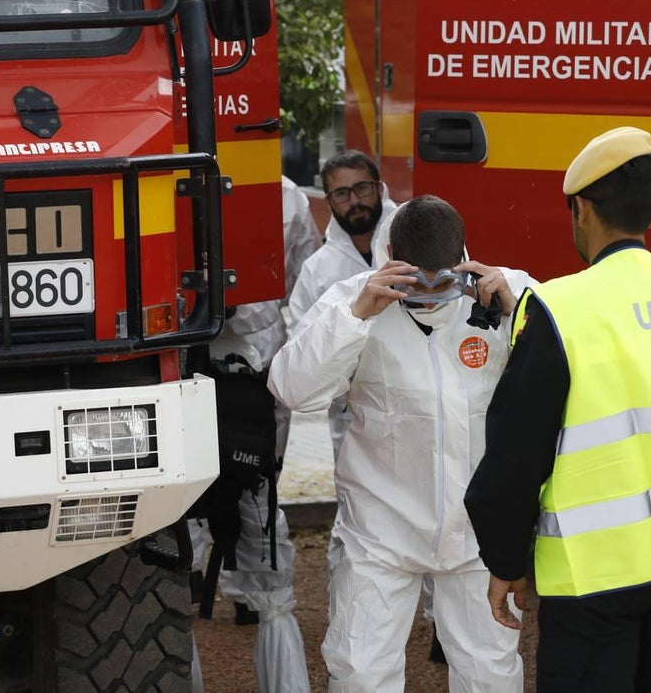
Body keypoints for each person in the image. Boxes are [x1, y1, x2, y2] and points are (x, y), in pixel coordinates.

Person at [464, 126, 651, 692]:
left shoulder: (558, 308)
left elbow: (515, 451)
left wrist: (505, 561)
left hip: (591, 581)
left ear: (581, 209)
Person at [269, 195, 532, 692]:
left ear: (464, 259)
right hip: (380, 530)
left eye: (443, 285)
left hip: (478, 533)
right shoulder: (351, 298)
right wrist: (356, 316)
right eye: (416, 285)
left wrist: (520, 314)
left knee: (490, 676)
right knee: (361, 675)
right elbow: (290, 389)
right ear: (391, 255)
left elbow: (572, 378)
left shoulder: (508, 294)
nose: (430, 298)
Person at [191, 175, 319, 693]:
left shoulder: (283, 194)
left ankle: (243, 596)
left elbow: (299, 270)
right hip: (227, 368)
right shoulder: (281, 192)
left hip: (247, 373)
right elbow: (297, 270)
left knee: (251, 493)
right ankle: (235, 592)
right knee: (234, 498)